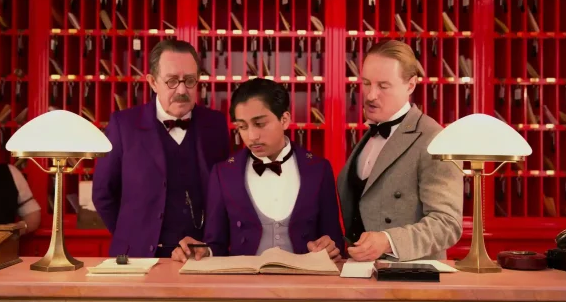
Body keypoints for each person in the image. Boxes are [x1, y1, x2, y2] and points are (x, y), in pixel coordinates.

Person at [172, 78, 343, 263]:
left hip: (304, 280)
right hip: (242, 280)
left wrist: (329, 247)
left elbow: (335, 243)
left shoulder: (319, 170)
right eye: (242, 127)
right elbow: (216, 244)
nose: (252, 136)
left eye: (260, 124)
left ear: (284, 120)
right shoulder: (223, 174)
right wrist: (202, 251)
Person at [92, 39, 230, 258]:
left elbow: (224, 194)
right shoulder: (123, 125)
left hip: (199, 257)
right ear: (153, 82)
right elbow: (103, 193)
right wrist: (131, 238)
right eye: (172, 81)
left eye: (190, 80)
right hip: (137, 259)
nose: (182, 90)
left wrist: (210, 245)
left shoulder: (215, 124)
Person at [338, 40, 463, 262]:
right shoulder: (369, 134)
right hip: (360, 270)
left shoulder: (434, 138)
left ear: (411, 85)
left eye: (383, 86)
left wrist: (388, 241)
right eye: (366, 83)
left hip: (409, 275)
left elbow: (447, 224)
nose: (370, 95)